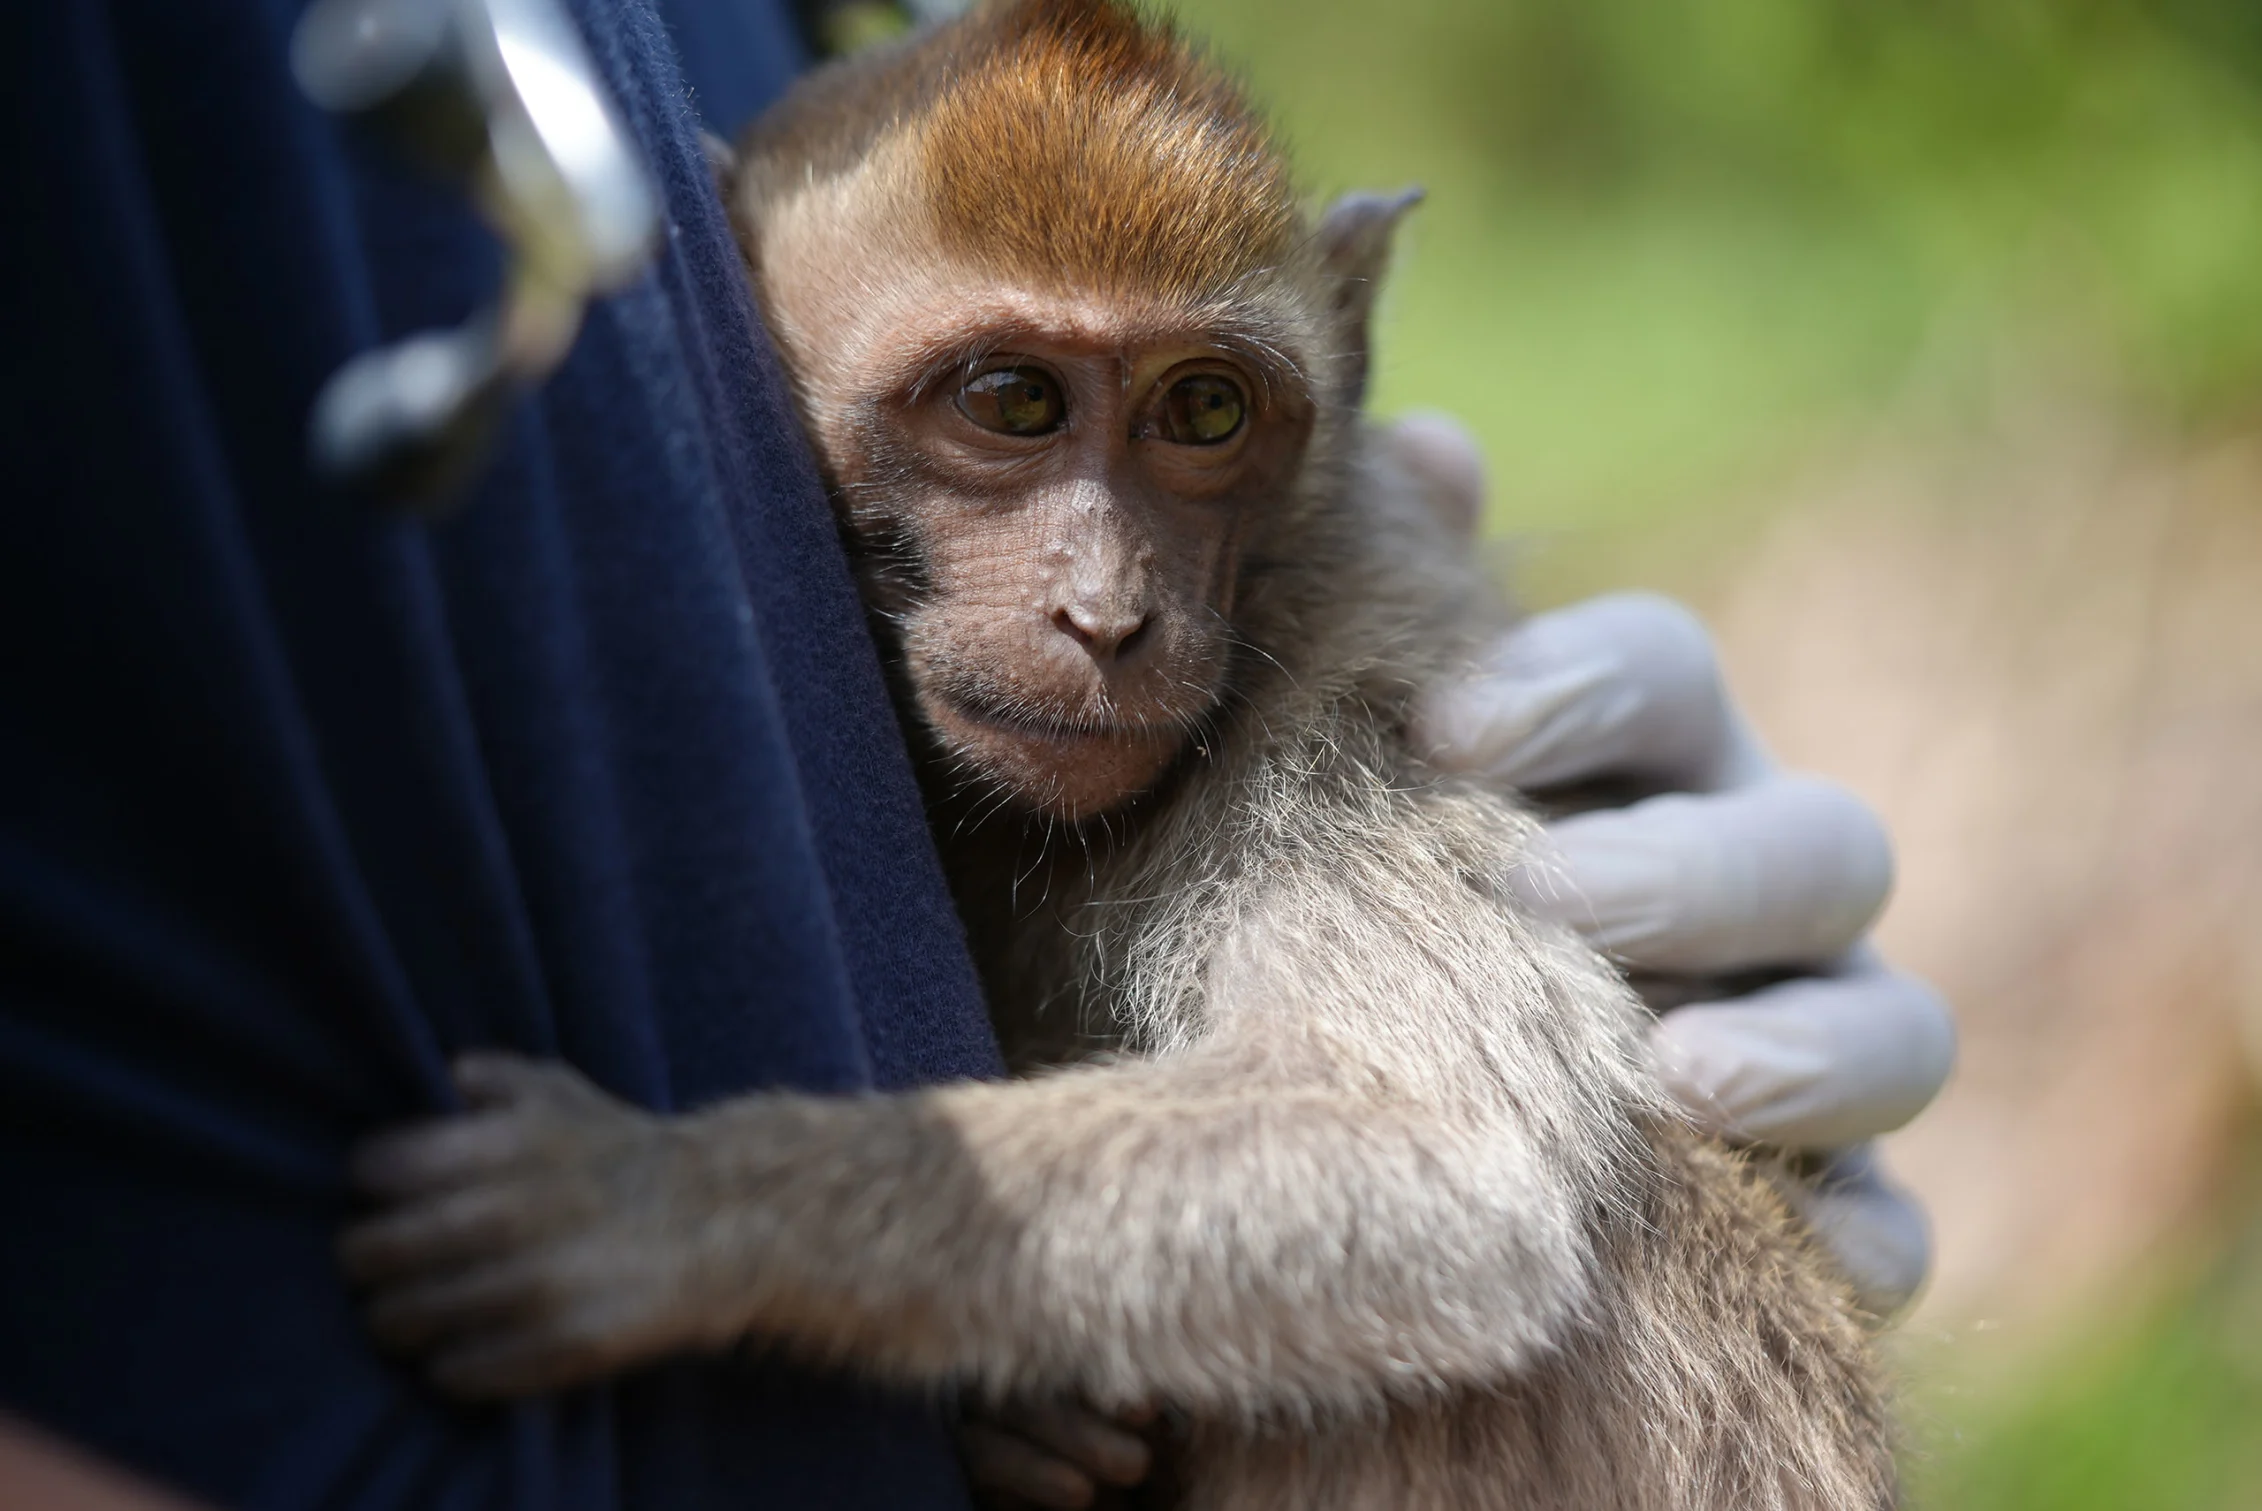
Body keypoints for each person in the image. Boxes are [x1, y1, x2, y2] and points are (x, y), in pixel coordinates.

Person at [0, 0, 1951, 1506]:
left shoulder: (1333, 620)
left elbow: (1456, 1199)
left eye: (1208, 415)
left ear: (1344, 349)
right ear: (732, 299)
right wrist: (973, 1317)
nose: (1107, 596)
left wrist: (738, 1209)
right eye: (1004, 403)